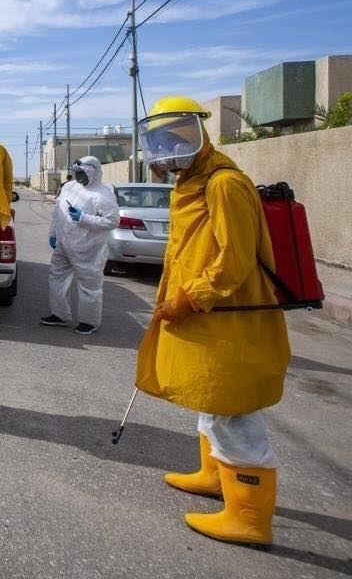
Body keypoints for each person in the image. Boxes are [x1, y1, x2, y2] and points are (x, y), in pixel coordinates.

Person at [134, 96, 289, 547]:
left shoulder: (224, 184)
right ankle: (213, 476)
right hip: (209, 319)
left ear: (197, 134)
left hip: (229, 320)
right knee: (212, 401)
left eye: (176, 138)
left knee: (233, 412)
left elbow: (234, 259)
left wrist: (191, 298)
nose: (168, 150)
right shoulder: (194, 182)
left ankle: (250, 519)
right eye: (160, 141)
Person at [41, 155, 119, 335]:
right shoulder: (69, 187)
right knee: (56, 277)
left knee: (89, 285)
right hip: (64, 243)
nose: (78, 175)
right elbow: (57, 211)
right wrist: (53, 233)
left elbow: (112, 221)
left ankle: (89, 321)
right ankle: (60, 314)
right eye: (76, 172)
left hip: (89, 248)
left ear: (93, 172)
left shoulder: (103, 194)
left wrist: (83, 218)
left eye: (82, 172)